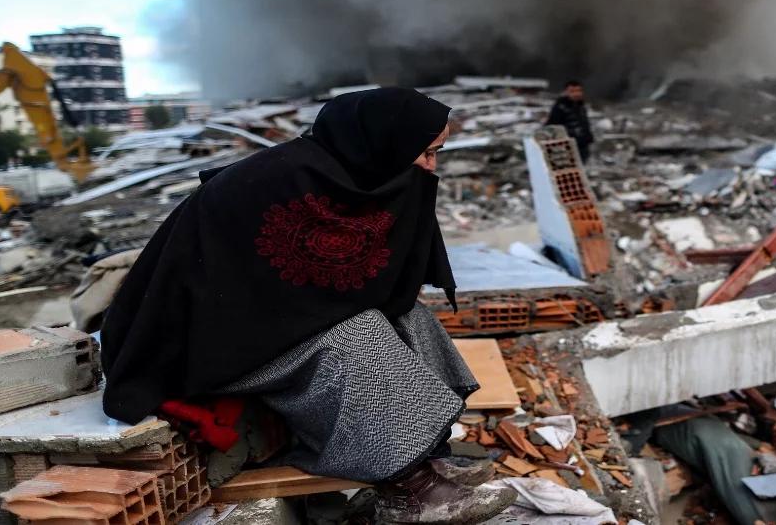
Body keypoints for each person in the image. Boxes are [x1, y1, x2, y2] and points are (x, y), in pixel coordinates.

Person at [100, 88, 517, 524]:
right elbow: (255, 293)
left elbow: (367, 282)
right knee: (356, 336)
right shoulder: (275, 183)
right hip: (200, 343)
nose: (432, 167)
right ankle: (409, 490)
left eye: (438, 153)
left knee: (406, 316)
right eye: (428, 153)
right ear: (385, 140)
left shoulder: (343, 175)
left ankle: (425, 454)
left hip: (264, 319)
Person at [545, 80, 594, 162]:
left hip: (582, 145)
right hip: (567, 147)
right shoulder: (560, 107)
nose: (576, 94)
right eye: (572, 91)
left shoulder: (580, 106)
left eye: (578, 91)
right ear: (566, 92)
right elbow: (553, 126)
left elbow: (584, 124)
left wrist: (588, 138)